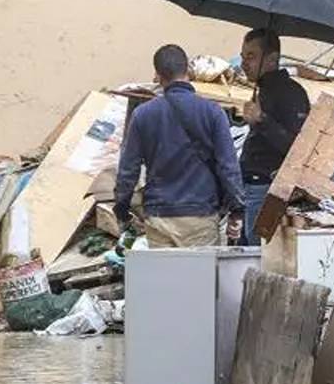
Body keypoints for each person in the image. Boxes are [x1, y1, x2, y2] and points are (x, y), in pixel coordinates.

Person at [114, 44, 245, 248]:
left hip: (159, 216)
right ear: (188, 72)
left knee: (164, 270)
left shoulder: (142, 115)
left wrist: (122, 209)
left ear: (158, 76)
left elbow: (128, 169)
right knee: (201, 270)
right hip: (201, 216)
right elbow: (228, 166)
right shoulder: (213, 112)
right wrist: (237, 210)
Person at [236, 28, 311, 244]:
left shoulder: (290, 93)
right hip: (251, 188)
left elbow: (297, 147)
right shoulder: (264, 90)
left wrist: (262, 120)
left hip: (267, 189)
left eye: (251, 56)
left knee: (258, 255)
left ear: (272, 59)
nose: (244, 63)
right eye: (243, 56)